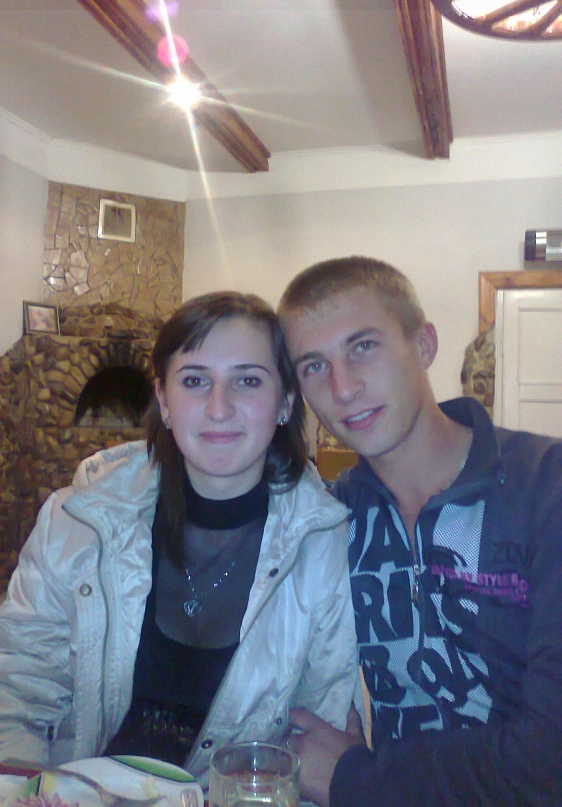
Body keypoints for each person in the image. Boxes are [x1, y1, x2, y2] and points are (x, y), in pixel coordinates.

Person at [0, 291, 360, 790]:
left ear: (285, 403)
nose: (218, 408)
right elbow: (9, 690)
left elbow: (318, 735)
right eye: (194, 381)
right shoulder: (77, 524)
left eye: (247, 380)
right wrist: (32, 794)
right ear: (164, 401)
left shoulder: (326, 547)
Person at [278, 257, 562, 806]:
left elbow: (550, 761)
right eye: (314, 366)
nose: (344, 388)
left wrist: (353, 779)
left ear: (424, 345)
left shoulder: (546, 487)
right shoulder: (331, 519)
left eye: (364, 346)